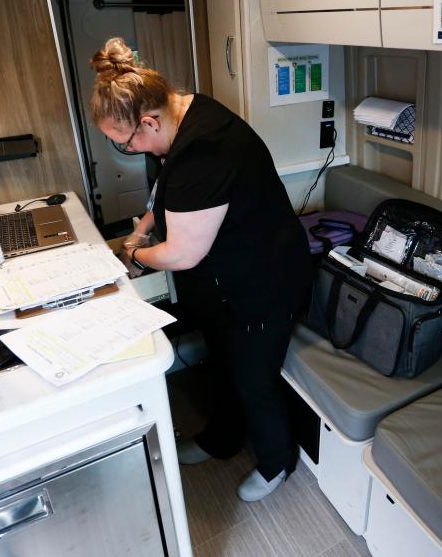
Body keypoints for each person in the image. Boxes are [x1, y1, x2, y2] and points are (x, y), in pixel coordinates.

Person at [89, 38, 311, 502]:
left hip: (262, 278)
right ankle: (223, 438)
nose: (132, 150)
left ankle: (276, 463)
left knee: (253, 379)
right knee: (222, 361)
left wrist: (133, 255)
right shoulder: (183, 110)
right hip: (221, 277)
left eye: (126, 143)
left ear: (148, 121)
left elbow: (181, 254)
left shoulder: (206, 146)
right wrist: (143, 228)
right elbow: (168, 196)